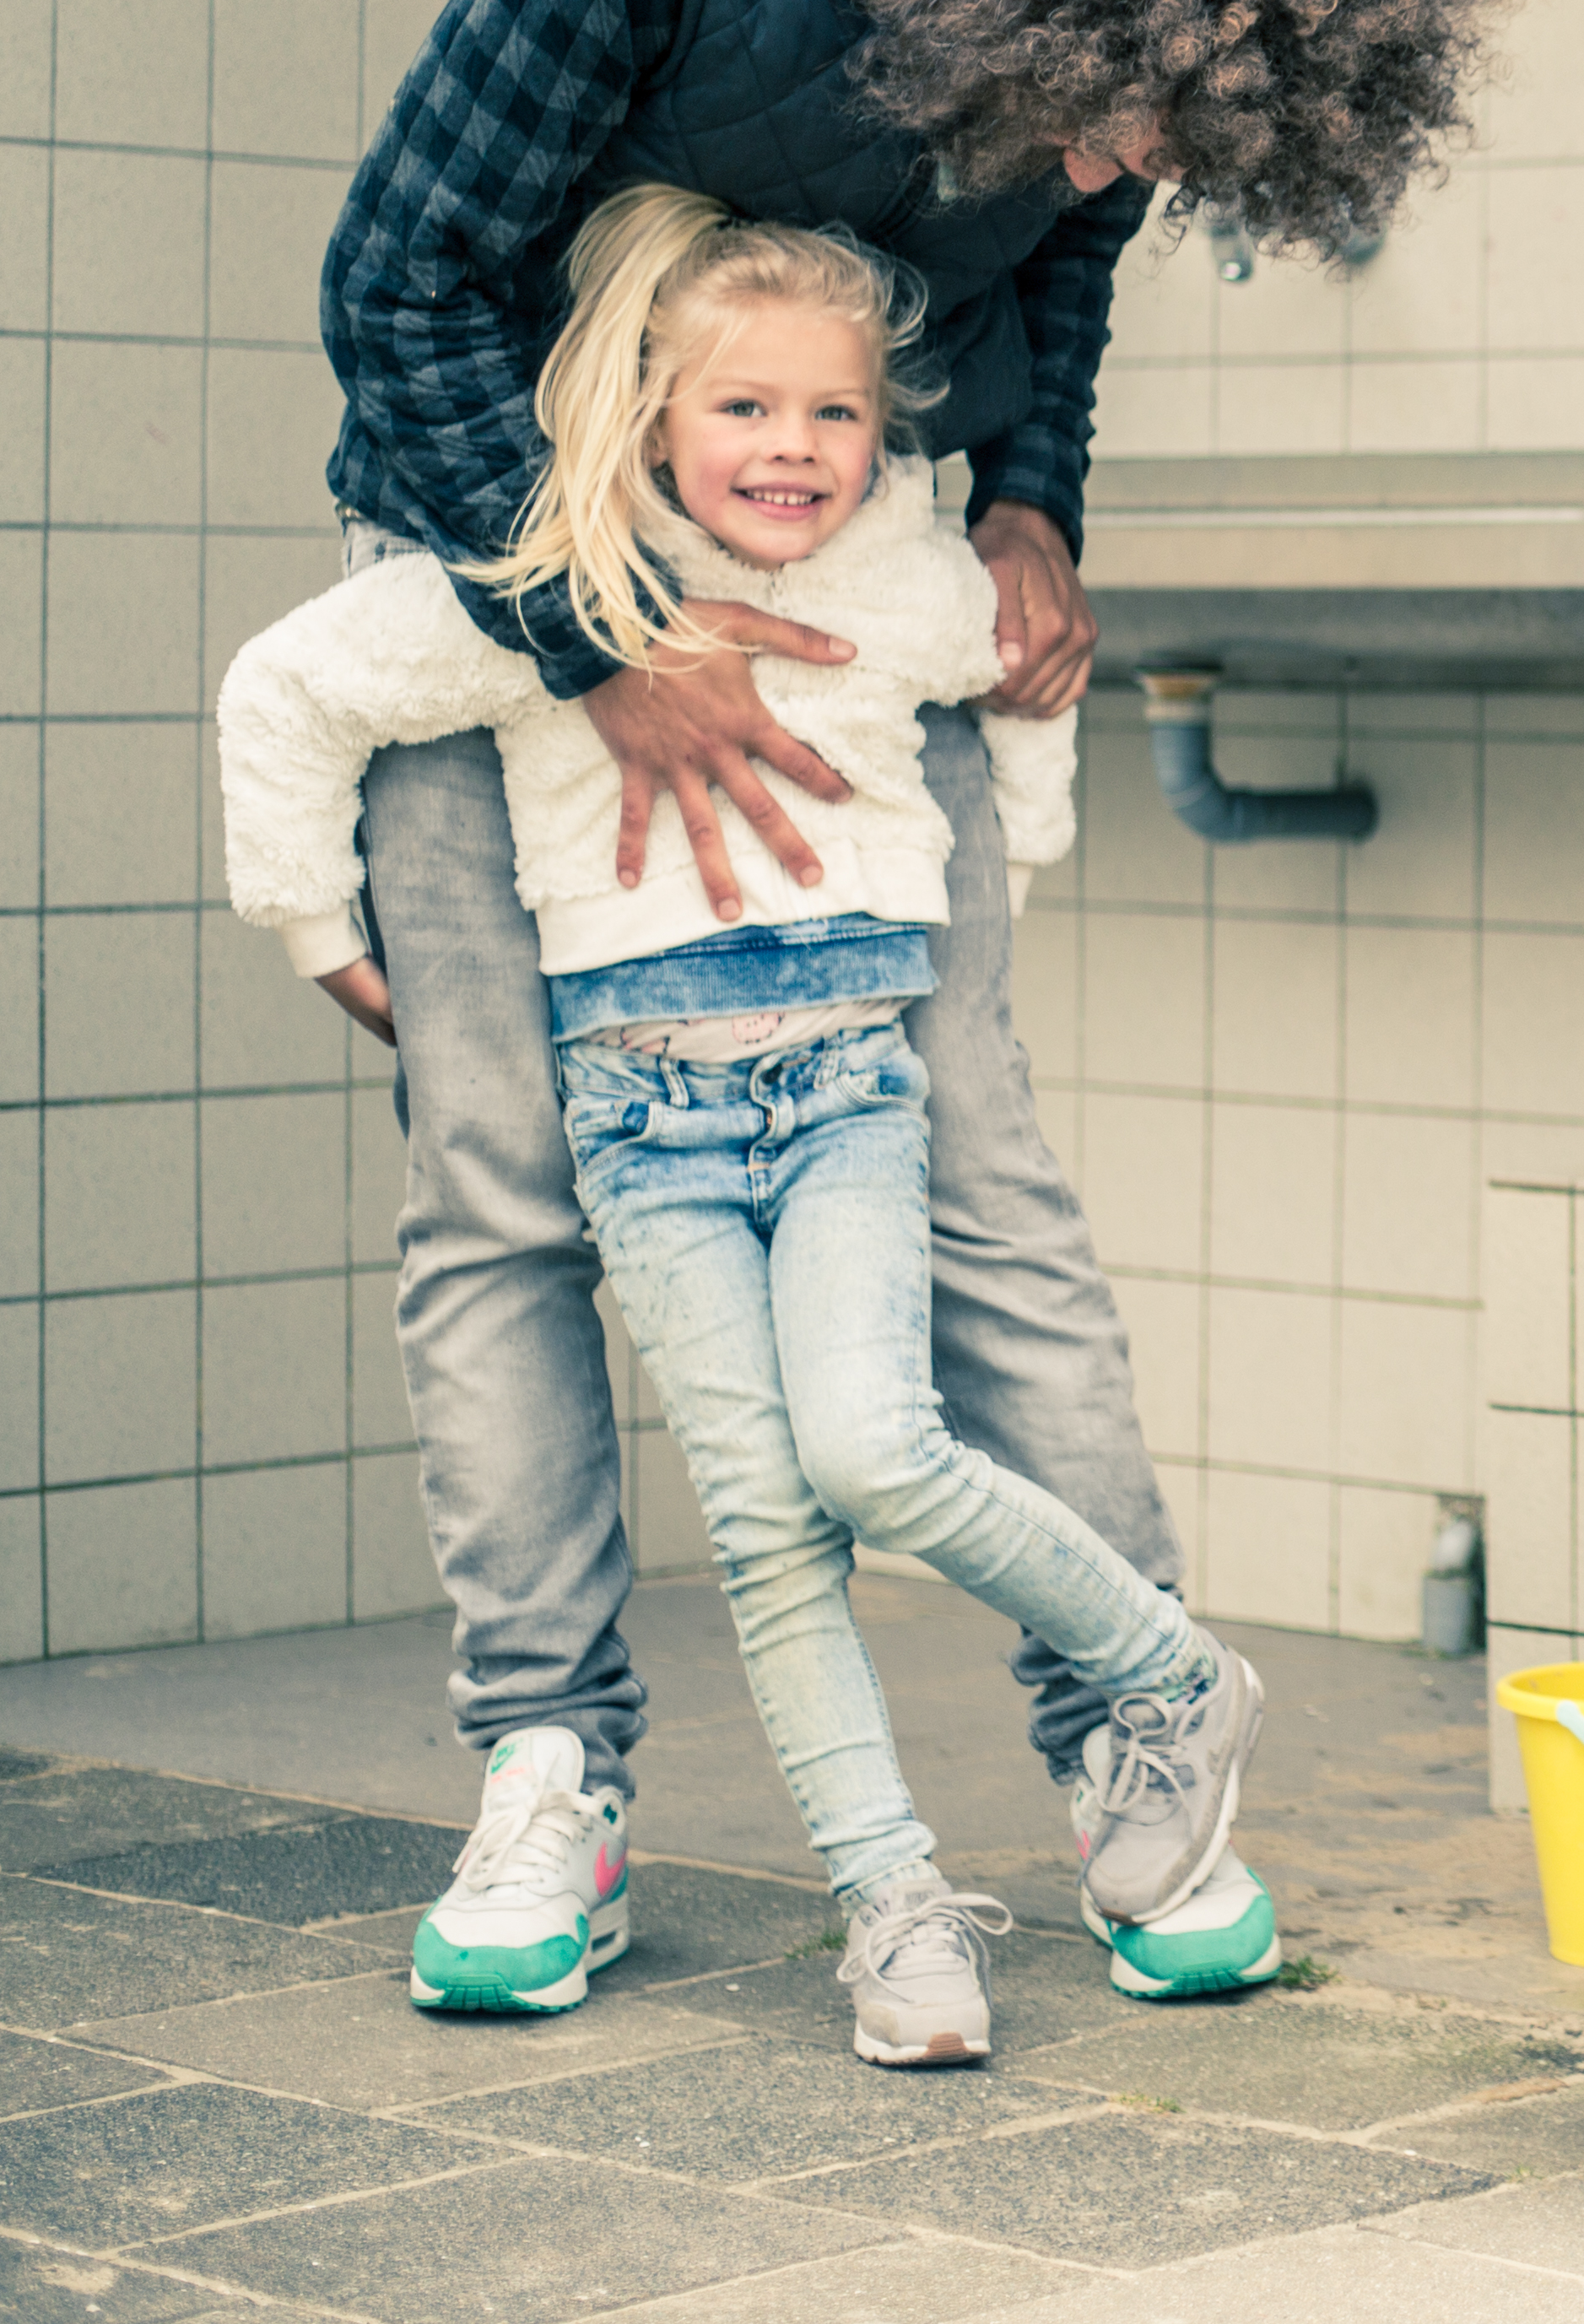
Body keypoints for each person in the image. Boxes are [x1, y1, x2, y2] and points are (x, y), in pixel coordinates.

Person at [311, 0, 1484, 2015]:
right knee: (504, 1179)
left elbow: (1051, 270)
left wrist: (1034, 497)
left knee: (978, 1164)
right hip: (495, 578)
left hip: (853, 612)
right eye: (1094, 126)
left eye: (1157, 152)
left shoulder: (1125, 38)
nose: (1099, 177)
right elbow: (399, 286)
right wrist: (592, 639)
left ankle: (1137, 1738)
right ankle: (556, 1767)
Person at [231, 189, 1279, 2063]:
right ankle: (792, 1863)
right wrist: (317, 925)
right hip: (644, 1112)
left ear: (885, 431)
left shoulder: (892, 567)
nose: (794, 450)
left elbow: (1006, 655)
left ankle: (1154, 1700)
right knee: (683, 1430)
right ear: (648, 419)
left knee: (887, 1417)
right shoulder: (552, 578)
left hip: (845, 1083)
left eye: (836, 417)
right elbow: (295, 678)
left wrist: (1009, 845)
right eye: (745, 413)